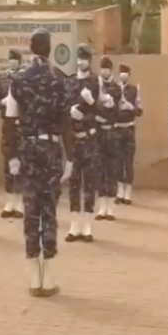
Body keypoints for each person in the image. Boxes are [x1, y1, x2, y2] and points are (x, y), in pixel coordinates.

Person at [5, 28, 70, 297]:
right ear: (49, 48)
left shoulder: (18, 80)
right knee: (49, 211)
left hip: (28, 149)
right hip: (51, 149)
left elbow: (10, 120)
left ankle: (34, 278)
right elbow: (66, 122)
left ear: (31, 48)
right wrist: (70, 157)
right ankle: (49, 277)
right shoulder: (59, 79)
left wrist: (11, 155)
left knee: (31, 210)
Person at [64, 45, 100, 242]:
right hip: (74, 139)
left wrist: (91, 104)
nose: (81, 61)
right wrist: (69, 113)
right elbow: (62, 108)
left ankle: (86, 225)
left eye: (85, 58)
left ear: (90, 61)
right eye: (79, 58)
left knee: (89, 182)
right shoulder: (70, 82)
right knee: (74, 182)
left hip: (89, 139)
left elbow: (104, 113)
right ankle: (74, 224)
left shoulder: (95, 81)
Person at [0, 48, 24, 219]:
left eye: (15, 59)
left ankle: (20, 203)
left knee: (21, 163)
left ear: (19, 62)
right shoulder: (2, 79)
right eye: (10, 59)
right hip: (7, 124)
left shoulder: (24, 79)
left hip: (21, 125)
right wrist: (3, 102)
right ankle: (9, 202)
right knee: (8, 161)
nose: (12, 62)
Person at [94, 56, 122, 221]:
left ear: (110, 70)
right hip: (98, 133)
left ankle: (110, 208)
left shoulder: (116, 88)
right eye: (101, 68)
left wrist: (112, 107)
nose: (103, 71)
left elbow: (120, 112)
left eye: (106, 68)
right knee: (99, 169)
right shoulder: (95, 86)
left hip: (111, 132)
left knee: (111, 170)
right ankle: (101, 207)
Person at [114, 64, 143, 205]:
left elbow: (140, 111)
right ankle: (119, 192)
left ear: (129, 75)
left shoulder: (134, 90)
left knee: (128, 161)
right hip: (117, 129)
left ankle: (128, 193)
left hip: (129, 129)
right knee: (118, 162)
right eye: (121, 72)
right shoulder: (114, 89)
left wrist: (130, 107)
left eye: (126, 72)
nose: (123, 75)